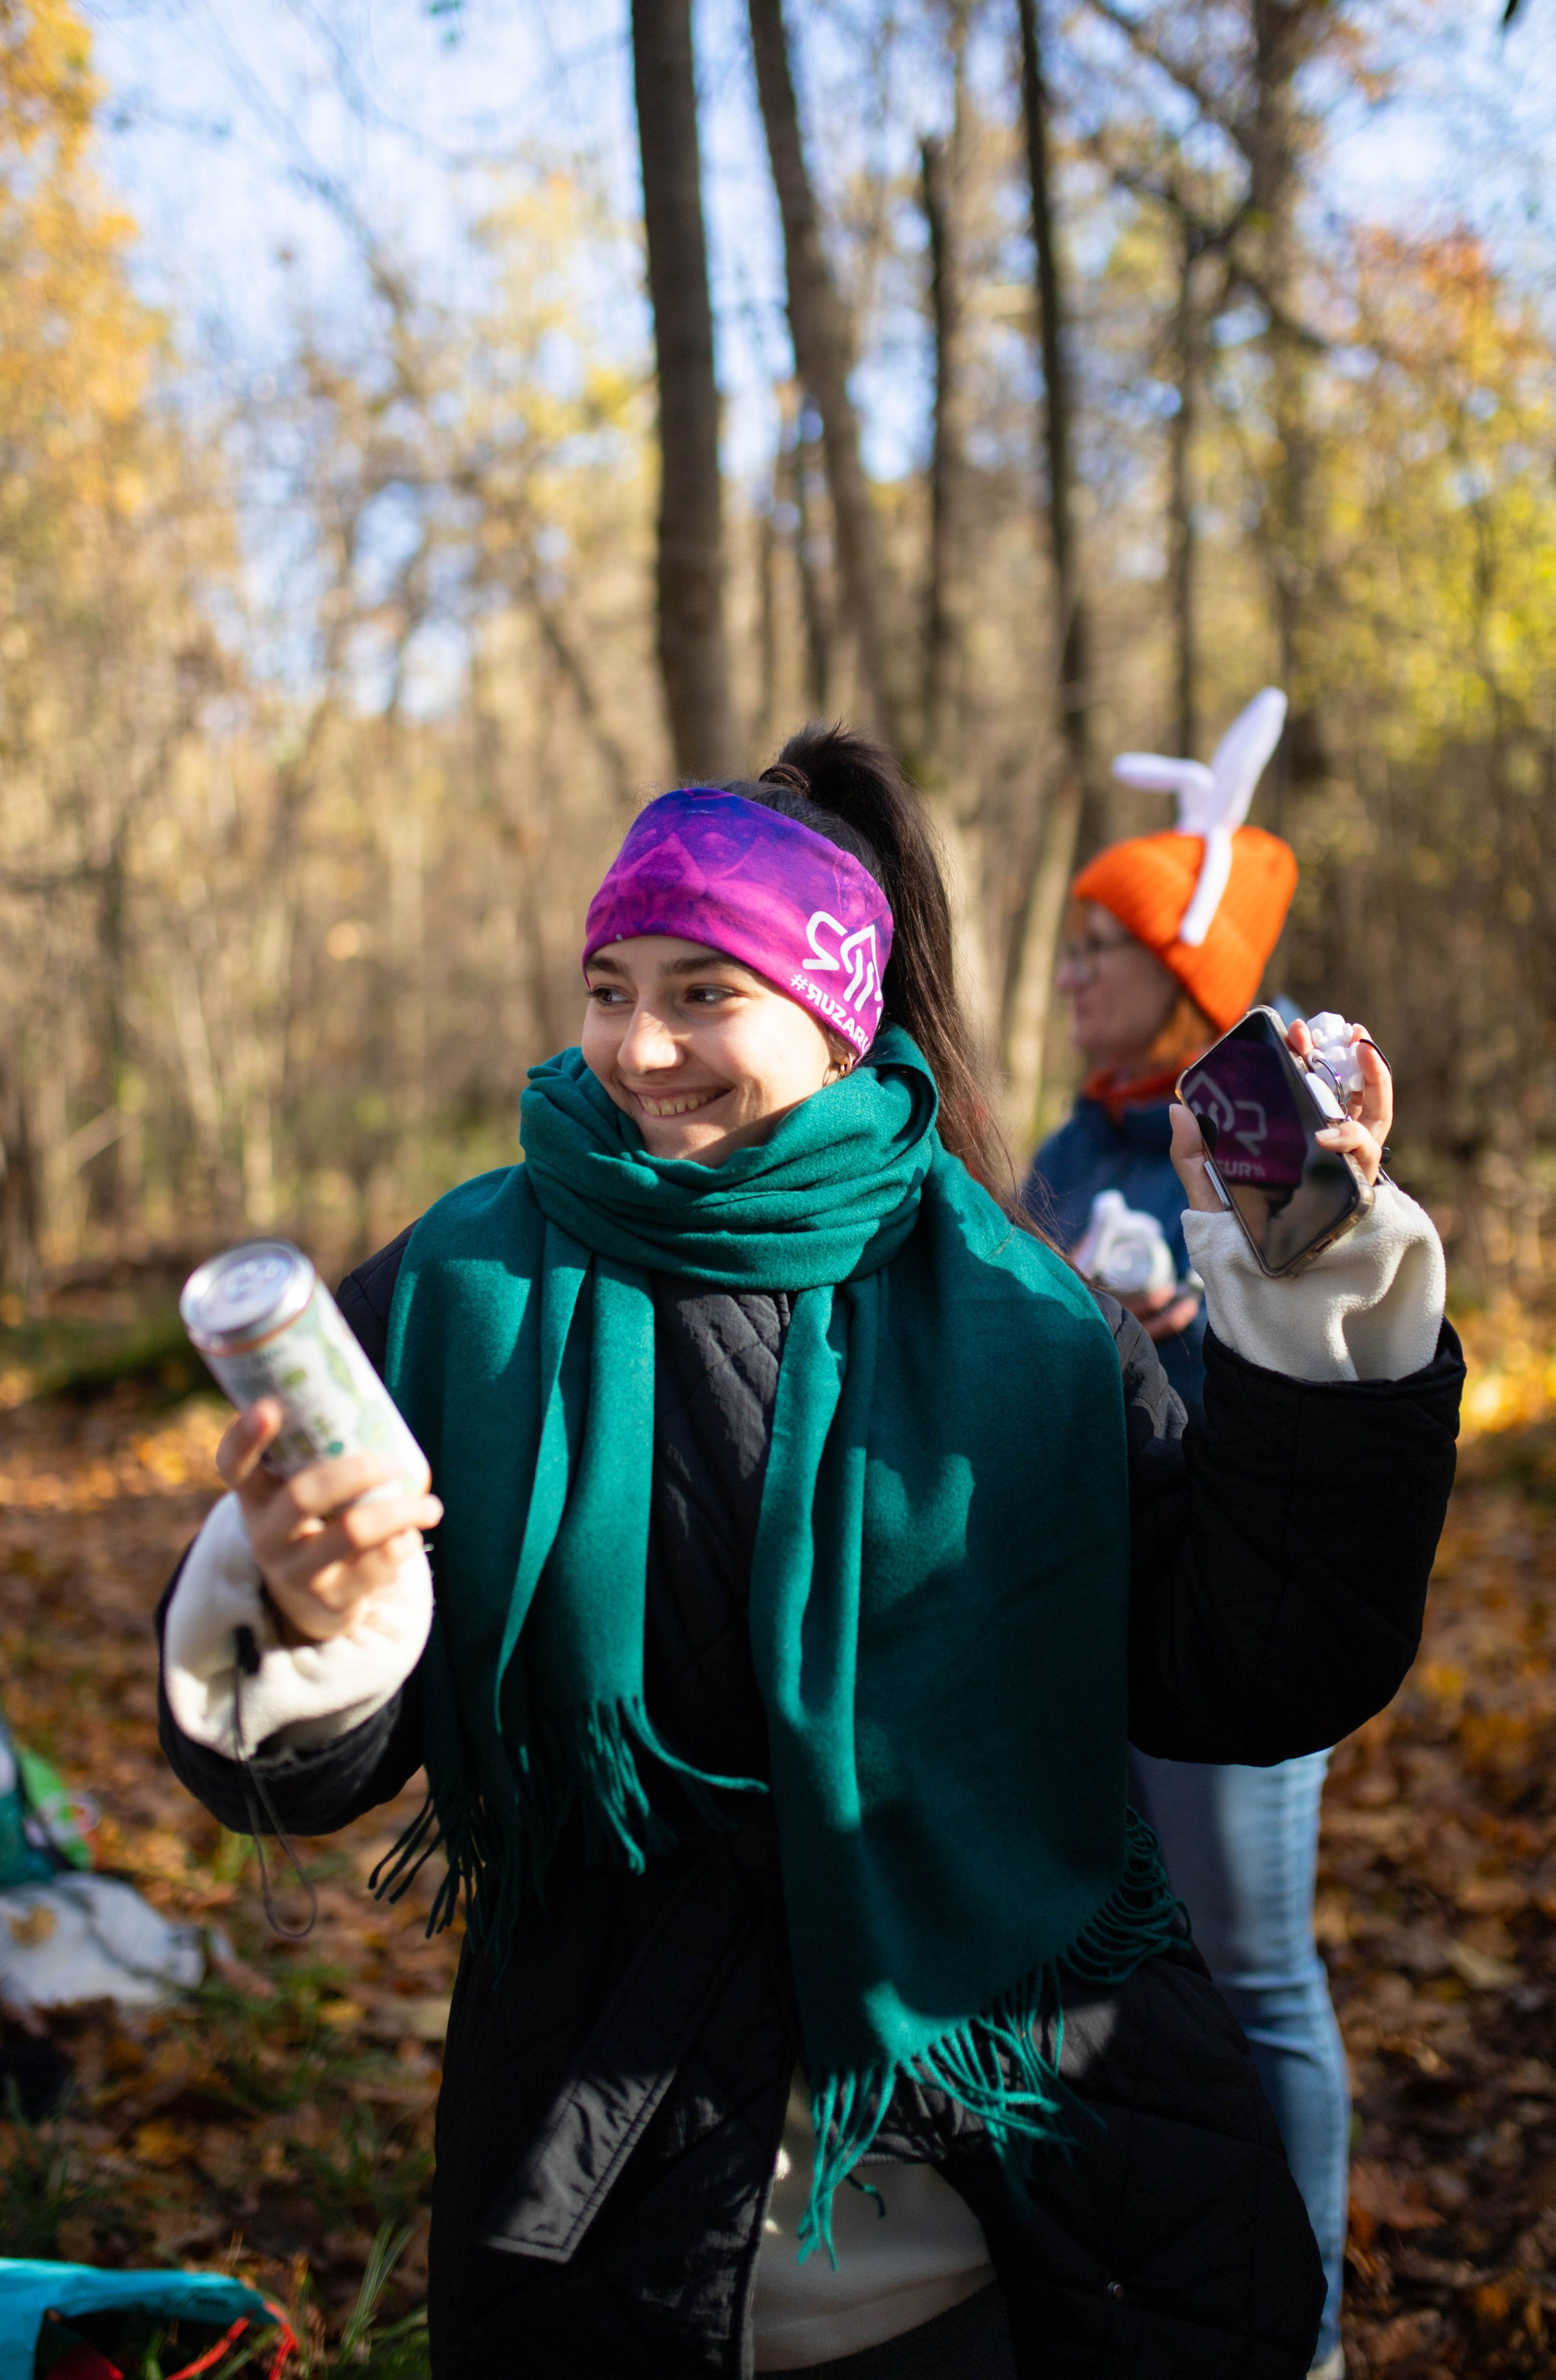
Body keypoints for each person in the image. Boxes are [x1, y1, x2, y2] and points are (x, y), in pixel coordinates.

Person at [157, 726, 1461, 2379]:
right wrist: (311, 1611)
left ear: (840, 1014)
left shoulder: (1016, 1300)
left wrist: (1302, 1291)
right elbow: (290, 1777)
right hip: (602, 2223)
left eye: (704, 991)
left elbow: (1257, 1660)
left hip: (1034, 2226)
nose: (639, 1048)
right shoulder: (449, 1291)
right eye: (609, 985)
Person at [1025, 690, 1352, 2380]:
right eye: (1074, 943)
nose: (1073, 972)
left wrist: (1190, 1328)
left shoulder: (1264, 1114)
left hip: (1230, 1617)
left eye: (1104, 944)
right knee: (1128, 1977)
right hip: (1093, 1624)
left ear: (1187, 963)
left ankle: (1305, 2337)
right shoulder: (1071, 1140)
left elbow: (1333, 1379)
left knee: (1256, 1976)